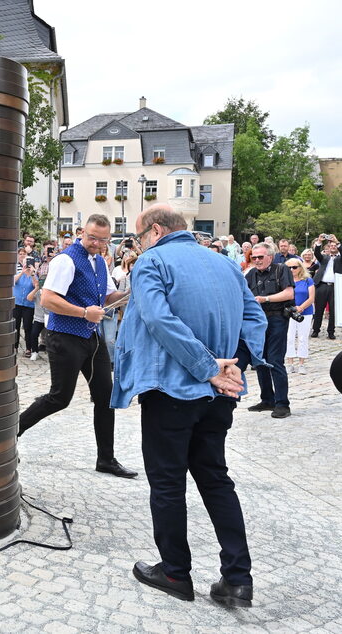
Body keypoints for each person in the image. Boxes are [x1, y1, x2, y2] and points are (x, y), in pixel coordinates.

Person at [112, 204, 265, 607]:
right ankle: (238, 579)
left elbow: (159, 321)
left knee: (167, 483)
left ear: (156, 231)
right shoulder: (226, 265)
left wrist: (208, 368)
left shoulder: (152, 262)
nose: (139, 243)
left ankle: (175, 572)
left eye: (140, 236)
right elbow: (255, 318)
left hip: (172, 391)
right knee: (216, 479)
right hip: (219, 396)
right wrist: (236, 367)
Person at [17, 214, 137, 479]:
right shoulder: (66, 259)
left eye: (102, 240)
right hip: (64, 337)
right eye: (92, 237)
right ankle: (12, 431)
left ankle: (106, 459)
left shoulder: (99, 263)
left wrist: (133, 290)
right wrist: (84, 313)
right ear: (82, 232)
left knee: (106, 397)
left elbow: (109, 296)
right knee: (59, 397)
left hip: (91, 339)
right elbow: (47, 299)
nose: (96, 243)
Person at [243, 242, 295, 418]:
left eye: (260, 257)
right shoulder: (250, 274)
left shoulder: (281, 270)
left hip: (277, 318)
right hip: (257, 322)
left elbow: (289, 294)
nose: (256, 260)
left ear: (270, 257)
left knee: (275, 360)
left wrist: (265, 299)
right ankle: (267, 399)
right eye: (254, 257)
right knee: (259, 360)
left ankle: (282, 404)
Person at [285, 259, 315, 374]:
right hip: (289, 312)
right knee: (289, 337)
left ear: (300, 267)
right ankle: (290, 362)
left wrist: (300, 307)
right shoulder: (284, 281)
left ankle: (301, 363)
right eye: (289, 268)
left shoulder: (308, 280)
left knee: (303, 337)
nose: (292, 270)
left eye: (294, 267)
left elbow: (311, 298)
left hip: (305, 312)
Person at [311, 233, 338, 339]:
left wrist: (336, 241)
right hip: (322, 285)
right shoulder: (324, 258)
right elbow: (316, 253)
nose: (333, 247)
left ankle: (331, 331)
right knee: (319, 309)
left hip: (335, 287)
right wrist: (319, 241)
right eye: (331, 246)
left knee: (333, 310)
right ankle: (315, 330)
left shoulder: (340, 258)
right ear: (328, 248)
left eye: (335, 245)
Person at [13, 248, 38, 355]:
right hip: (17, 304)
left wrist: (32, 273)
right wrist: (22, 272)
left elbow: (36, 285)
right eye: (26, 262)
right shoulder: (19, 273)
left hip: (29, 305)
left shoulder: (34, 275)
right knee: (16, 326)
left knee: (28, 327)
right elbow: (13, 281)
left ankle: (28, 348)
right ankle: (14, 346)